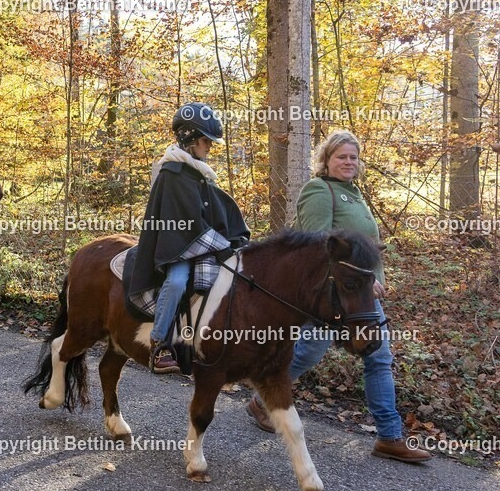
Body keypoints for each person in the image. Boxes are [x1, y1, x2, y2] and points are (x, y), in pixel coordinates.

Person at [246, 130, 431, 463]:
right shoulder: (320, 190)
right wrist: (360, 280)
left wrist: (373, 279)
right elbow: (321, 248)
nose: (349, 162)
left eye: (353, 157)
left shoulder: (356, 194)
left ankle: (390, 437)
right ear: (326, 160)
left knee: (378, 357)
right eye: (341, 156)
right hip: (328, 296)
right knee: (307, 353)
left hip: (360, 297)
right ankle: (262, 400)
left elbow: (367, 249)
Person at [127, 103, 250, 374]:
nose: (210, 146)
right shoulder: (173, 174)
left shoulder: (199, 173)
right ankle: (160, 343)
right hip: (177, 248)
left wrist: (232, 239)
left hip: (199, 246)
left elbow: (211, 211)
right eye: (206, 140)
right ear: (189, 138)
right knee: (177, 281)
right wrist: (219, 245)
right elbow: (186, 225)